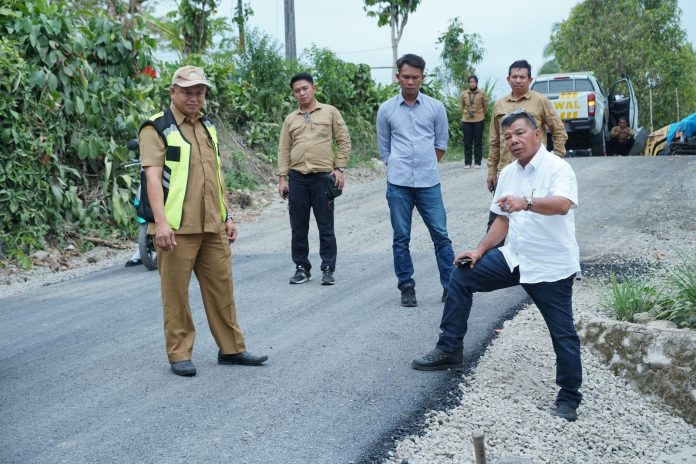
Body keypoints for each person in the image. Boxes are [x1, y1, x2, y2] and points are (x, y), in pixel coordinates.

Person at [412, 109, 583, 422]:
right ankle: (450, 349)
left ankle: (569, 397)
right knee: (462, 275)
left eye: (519, 133)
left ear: (537, 134)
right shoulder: (508, 173)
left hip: (550, 266)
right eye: (508, 137)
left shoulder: (559, 168)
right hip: (514, 257)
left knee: (563, 333)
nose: (514, 141)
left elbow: (562, 205)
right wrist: (479, 250)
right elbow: (502, 220)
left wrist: (527, 202)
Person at [139, 65, 267, 377]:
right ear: (173, 92)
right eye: (187, 92)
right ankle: (180, 354)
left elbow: (216, 174)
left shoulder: (207, 126)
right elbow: (152, 179)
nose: (194, 97)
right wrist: (162, 223)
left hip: (212, 225)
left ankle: (232, 348)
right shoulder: (156, 128)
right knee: (176, 294)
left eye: (199, 92)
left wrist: (228, 214)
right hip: (176, 228)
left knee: (222, 290)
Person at [376, 54, 455, 307]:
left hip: (428, 183)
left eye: (415, 77)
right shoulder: (386, 109)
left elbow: (441, 144)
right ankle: (406, 286)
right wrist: (399, 166)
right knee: (401, 238)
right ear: (398, 77)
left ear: (423, 77)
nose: (410, 82)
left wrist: (425, 164)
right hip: (398, 183)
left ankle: (450, 286)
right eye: (406, 77)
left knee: (441, 236)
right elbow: (385, 148)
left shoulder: (436, 107)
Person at [277, 73, 351, 286]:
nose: (301, 93)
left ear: (313, 88)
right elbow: (284, 149)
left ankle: (328, 267)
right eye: (297, 90)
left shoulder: (329, 112)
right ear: (293, 94)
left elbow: (343, 140)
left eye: (305, 88)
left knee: (325, 225)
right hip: (297, 178)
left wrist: (339, 169)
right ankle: (302, 268)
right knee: (298, 226)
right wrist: (283, 179)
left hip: (323, 178)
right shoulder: (290, 119)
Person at [486, 60, 567, 245]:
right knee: (498, 222)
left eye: (522, 77)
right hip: (506, 173)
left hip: (535, 173)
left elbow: (559, 131)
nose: (518, 80)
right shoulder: (499, 105)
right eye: (514, 77)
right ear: (508, 79)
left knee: (533, 221)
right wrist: (492, 170)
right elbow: (494, 140)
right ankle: (493, 267)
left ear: (530, 79)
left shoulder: (541, 101)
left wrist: (556, 158)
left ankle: (531, 262)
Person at [460, 75, 488, 169]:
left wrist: (480, 114)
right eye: (470, 82)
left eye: (474, 82)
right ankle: (467, 163)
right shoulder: (464, 94)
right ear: (468, 83)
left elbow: (485, 106)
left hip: (479, 119)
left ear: (476, 83)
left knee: (477, 142)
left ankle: (477, 162)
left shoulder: (482, 93)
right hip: (466, 120)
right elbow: (462, 105)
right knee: (467, 142)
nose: (472, 83)